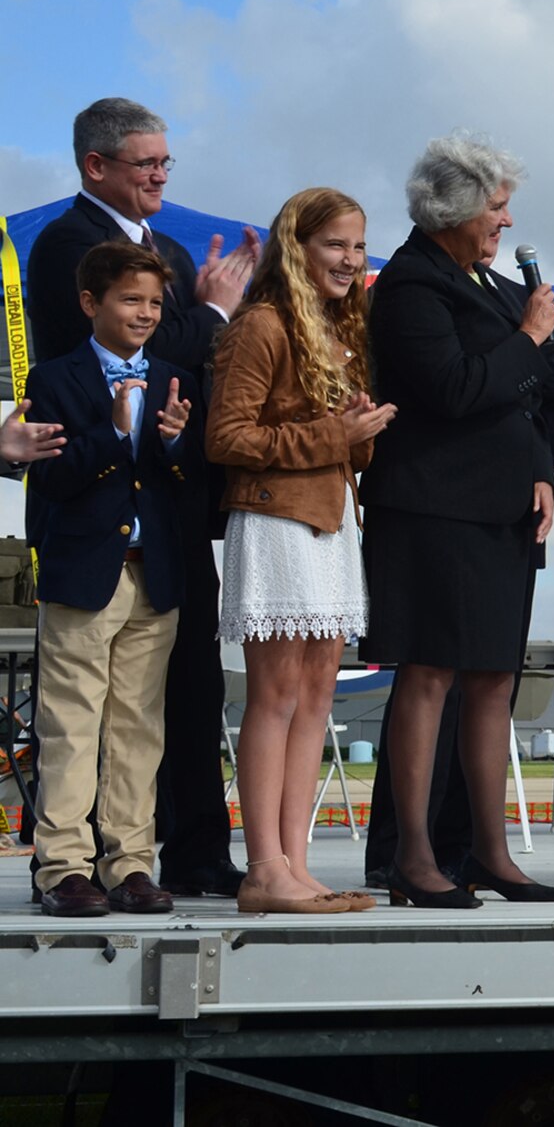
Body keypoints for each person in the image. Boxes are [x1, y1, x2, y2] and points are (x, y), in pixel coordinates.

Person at [24, 96, 260, 900]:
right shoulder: (67, 246)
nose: (161, 173)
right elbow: (159, 348)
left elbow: (176, 365)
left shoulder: (160, 251)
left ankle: (148, 856)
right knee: (75, 717)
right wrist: (216, 313)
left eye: (166, 161)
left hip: (162, 533)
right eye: (145, 162)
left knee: (158, 710)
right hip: (91, 535)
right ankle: (66, 862)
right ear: (96, 166)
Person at [360, 134, 554, 908]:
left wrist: (542, 469)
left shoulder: (485, 283)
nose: (507, 221)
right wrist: (527, 337)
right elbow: (455, 389)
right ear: (453, 209)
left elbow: (548, 397)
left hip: (502, 511)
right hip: (431, 510)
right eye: (496, 205)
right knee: (428, 676)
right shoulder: (414, 285)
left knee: (493, 678)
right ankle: (414, 856)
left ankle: (490, 850)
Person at [208, 188, 396, 914]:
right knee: (278, 694)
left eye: (357, 245)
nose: (350, 259)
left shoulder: (335, 327)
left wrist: (359, 430)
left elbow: (345, 449)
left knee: (317, 695)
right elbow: (226, 437)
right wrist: (334, 436)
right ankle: (263, 867)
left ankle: (297, 864)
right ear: (298, 245)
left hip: (329, 521)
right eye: (335, 245)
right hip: (277, 522)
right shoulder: (261, 325)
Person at [24, 242, 199, 916]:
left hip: (152, 574)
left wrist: (178, 441)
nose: (145, 312)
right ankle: (62, 866)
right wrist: (114, 430)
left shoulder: (174, 377)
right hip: (81, 572)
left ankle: (129, 861)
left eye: (155, 302)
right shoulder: (54, 376)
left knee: (137, 726)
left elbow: (188, 481)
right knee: (70, 723)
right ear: (90, 302)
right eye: (131, 299)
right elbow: (54, 473)